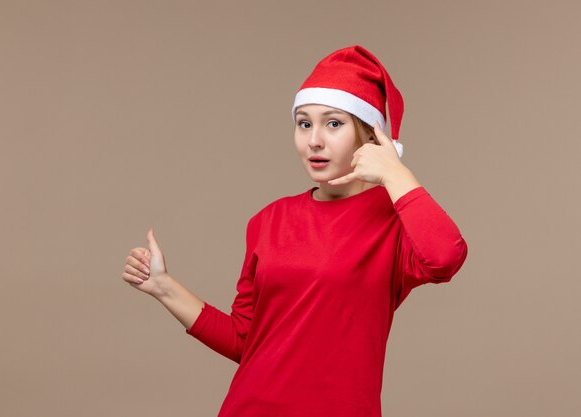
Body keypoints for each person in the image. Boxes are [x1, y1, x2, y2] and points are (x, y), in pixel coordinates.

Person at [122, 45, 468, 417]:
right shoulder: (268, 221)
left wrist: (396, 173)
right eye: (304, 123)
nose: (314, 140)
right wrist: (163, 286)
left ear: (371, 137)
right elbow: (245, 341)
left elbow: (445, 257)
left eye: (333, 123)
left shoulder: (394, 221)